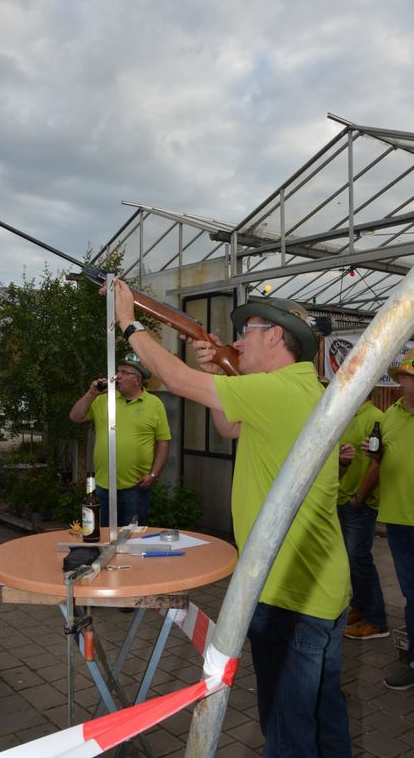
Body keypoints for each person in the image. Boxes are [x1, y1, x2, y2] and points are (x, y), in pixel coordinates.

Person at [110, 281, 351, 757]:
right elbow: (230, 425)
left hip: (287, 593)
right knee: (325, 718)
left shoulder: (276, 389)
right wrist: (218, 368)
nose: (237, 341)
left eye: (247, 332)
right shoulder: (302, 387)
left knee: (287, 731)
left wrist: (129, 322)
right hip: (319, 585)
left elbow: (174, 379)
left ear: (275, 336)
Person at [360, 347, 414, 690]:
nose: (411, 383)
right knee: (411, 593)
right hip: (398, 518)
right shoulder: (390, 416)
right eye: (408, 377)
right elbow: (380, 463)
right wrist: (374, 456)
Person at [69, 353, 171, 526]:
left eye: (124, 372)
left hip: (136, 487)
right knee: (102, 534)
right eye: (118, 371)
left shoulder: (154, 404)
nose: (117, 376)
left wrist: (154, 475)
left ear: (137, 380)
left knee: (133, 535)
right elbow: (75, 416)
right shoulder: (103, 400)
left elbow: (163, 442)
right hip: (103, 486)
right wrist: (91, 393)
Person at [337, 396, 389, 640]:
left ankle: (377, 621)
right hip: (342, 498)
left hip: (360, 503)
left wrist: (359, 497)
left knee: (359, 558)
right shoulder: (346, 413)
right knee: (352, 559)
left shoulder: (376, 418)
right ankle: (360, 607)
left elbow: (377, 465)